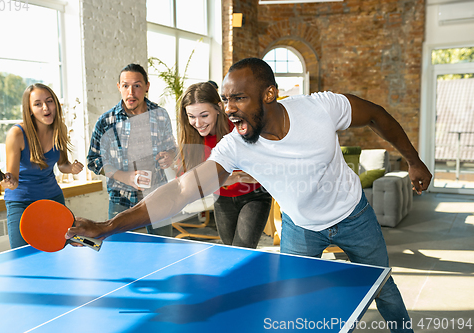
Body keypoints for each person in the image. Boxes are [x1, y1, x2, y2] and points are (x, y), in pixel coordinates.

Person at [68, 58, 432, 333]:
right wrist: (108, 226)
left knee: (383, 289)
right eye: (225, 99)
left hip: (353, 216)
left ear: (269, 95)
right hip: (300, 227)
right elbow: (181, 190)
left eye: (238, 98)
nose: (228, 108)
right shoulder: (235, 146)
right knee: (295, 304)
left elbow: (377, 116)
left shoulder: (321, 108)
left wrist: (414, 161)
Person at [177, 82, 272, 248]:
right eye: (192, 117)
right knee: (230, 252)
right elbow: (185, 179)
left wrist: (226, 177)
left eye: (204, 115)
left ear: (218, 108)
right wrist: (226, 177)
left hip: (254, 196)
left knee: (242, 250)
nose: (198, 123)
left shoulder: (240, 128)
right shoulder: (191, 137)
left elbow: (265, 169)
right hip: (222, 199)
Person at [87, 63, 176, 236]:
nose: (131, 92)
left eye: (137, 86)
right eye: (126, 86)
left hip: (158, 195)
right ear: (119, 87)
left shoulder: (160, 115)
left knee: (164, 249)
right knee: (119, 251)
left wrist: (170, 155)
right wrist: (126, 177)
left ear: (147, 87)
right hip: (121, 199)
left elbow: (171, 147)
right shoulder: (106, 121)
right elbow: (93, 160)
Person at [1, 83, 84, 249]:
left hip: (53, 200)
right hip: (22, 204)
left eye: (49, 101)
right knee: (22, 256)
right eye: (37, 104)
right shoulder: (16, 134)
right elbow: (13, 180)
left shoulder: (60, 128)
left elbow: (62, 164)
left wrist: (72, 168)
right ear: (29, 109)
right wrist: (8, 181)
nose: (45, 107)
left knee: (64, 250)